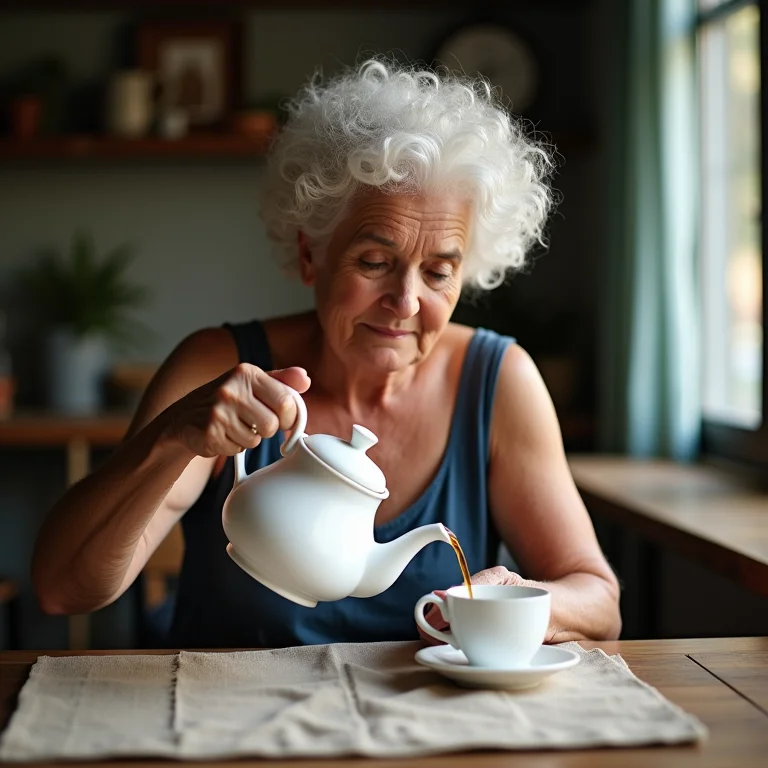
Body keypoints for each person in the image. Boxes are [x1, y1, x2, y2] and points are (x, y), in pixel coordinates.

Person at [32, 58, 621, 648]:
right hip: (226, 724)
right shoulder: (221, 365)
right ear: (311, 255)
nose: (406, 302)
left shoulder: (498, 382)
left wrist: (520, 602)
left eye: (439, 272)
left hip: (429, 731)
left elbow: (598, 602)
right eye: (374, 262)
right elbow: (64, 589)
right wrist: (171, 440)